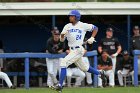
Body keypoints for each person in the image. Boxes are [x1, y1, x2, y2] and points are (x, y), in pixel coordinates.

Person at [50, 10, 106, 93]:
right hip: (72, 49)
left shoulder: (83, 25)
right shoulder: (67, 26)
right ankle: (100, 73)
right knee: (84, 68)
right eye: (70, 16)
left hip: (78, 49)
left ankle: (60, 86)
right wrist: (62, 35)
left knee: (63, 62)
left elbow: (95, 28)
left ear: (76, 17)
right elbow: (62, 40)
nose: (70, 17)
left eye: (72, 16)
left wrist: (92, 38)